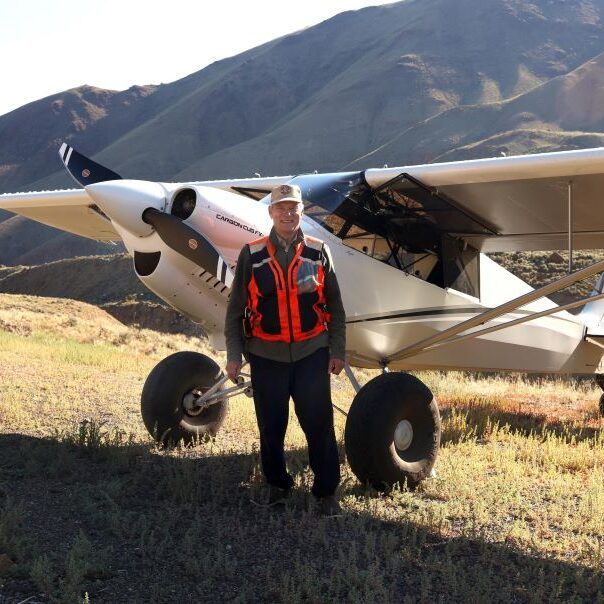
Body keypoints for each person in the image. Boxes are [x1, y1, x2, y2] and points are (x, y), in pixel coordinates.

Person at [224, 183, 346, 516]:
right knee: (271, 425)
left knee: (319, 424)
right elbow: (235, 309)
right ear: (271, 213)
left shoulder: (319, 251)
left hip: (312, 353)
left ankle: (325, 493)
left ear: (301, 212)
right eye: (281, 208)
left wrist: (337, 349)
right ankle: (277, 486)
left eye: (293, 208)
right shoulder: (253, 253)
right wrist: (234, 355)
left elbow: (334, 304)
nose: (288, 213)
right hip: (266, 356)